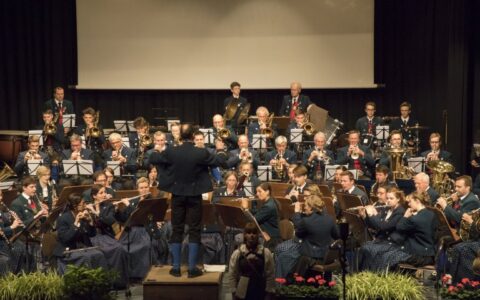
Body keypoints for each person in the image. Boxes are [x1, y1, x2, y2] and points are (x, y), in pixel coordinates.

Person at [148, 123, 227, 278]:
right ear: (193, 136)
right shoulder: (200, 152)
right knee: (194, 229)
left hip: (177, 194)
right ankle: (191, 269)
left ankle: (176, 268)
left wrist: (157, 150)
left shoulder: (171, 151)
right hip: (194, 195)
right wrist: (222, 152)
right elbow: (219, 161)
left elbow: (153, 157)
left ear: (179, 136)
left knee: (177, 228)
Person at [115, 177, 169, 275]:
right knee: (121, 248)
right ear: (138, 189)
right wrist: (117, 210)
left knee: (146, 246)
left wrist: (129, 206)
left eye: (146, 187)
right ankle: (131, 274)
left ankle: (146, 273)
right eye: (141, 188)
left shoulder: (152, 201)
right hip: (132, 231)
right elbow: (123, 219)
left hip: (146, 230)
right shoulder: (133, 201)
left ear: (149, 187)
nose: (144, 189)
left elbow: (141, 216)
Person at [374, 191, 437, 270]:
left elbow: (399, 227)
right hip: (429, 254)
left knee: (386, 257)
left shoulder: (415, 219)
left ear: (417, 201)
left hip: (419, 256)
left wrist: (405, 216)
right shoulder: (431, 214)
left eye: (410, 202)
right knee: (387, 254)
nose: (409, 204)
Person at [53, 193, 109, 275]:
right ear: (75, 206)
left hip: (83, 247)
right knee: (86, 257)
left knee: (99, 254)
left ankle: (101, 282)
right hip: (69, 249)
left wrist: (90, 221)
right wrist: (76, 223)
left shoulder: (83, 215)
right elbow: (65, 238)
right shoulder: (63, 218)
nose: (85, 205)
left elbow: (92, 234)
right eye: (83, 203)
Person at [86, 185, 129, 284]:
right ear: (94, 196)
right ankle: (104, 281)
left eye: (104, 192)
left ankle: (118, 281)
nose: (104, 195)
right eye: (101, 193)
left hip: (106, 236)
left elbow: (109, 221)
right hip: (93, 237)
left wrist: (96, 212)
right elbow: (90, 227)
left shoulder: (108, 206)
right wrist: (90, 212)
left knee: (118, 249)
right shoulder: (88, 206)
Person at [357, 187, 406, 271]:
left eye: (391, 198)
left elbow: (383, 227)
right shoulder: (387, 209)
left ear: (398, 199)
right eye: (387, 198)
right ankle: (363, 273)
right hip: (383, 239)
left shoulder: (400, 212)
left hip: (392, 243)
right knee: (364, 248)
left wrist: (372, 214)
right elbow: (375, 225)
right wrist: (365, 216)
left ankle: (371, 273)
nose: (388, 200)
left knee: (368, 248)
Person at [226, 222, 275, 300]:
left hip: (260, 291)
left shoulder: (265, 252)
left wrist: (269, 294)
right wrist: (233, 292)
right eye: (249, 233)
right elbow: (232, 274)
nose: (251, 235)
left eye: (254, 233)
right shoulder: (237, 253)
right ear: (245, 235)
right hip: (242, 291)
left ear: (258, 235)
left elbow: (270, 275)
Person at [241, 183, 282, 251]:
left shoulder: (269, 206)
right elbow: (258, 211)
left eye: (260, 191)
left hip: (270, 238)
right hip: (267, 234)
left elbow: (254, 221)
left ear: (267, 192)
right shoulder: (270, 202)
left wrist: (246, 209)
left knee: (243, 237)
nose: (257, 194)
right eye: (257, 192)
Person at [0, 189, 28, 275]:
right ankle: (11, 278)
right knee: (11, 255)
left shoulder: (1, 210)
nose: (0, 198)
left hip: (5, 240)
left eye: (1, 195)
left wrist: (12, 218)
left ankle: (20, 276)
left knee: (22, 247)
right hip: (1, 244)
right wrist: (12, 227)